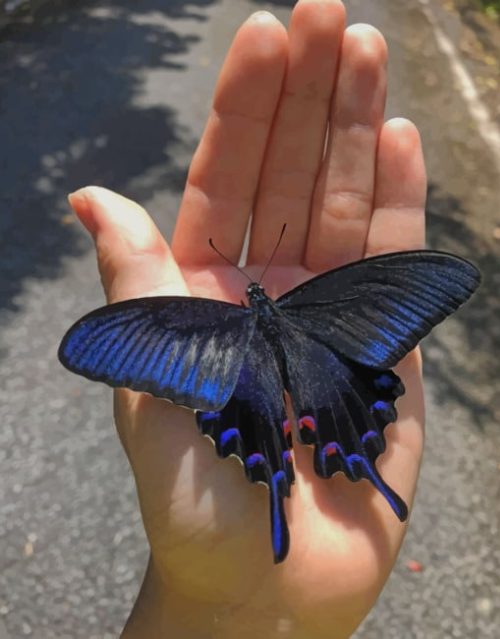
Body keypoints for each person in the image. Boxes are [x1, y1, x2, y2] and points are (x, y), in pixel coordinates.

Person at [68, 1, 426, 636]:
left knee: (292, 425)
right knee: (325, 414)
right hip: (312, 367)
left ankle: (285, 502)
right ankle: (335, 477)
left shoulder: (210, 321)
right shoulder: (313, 298)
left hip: (262, 383)